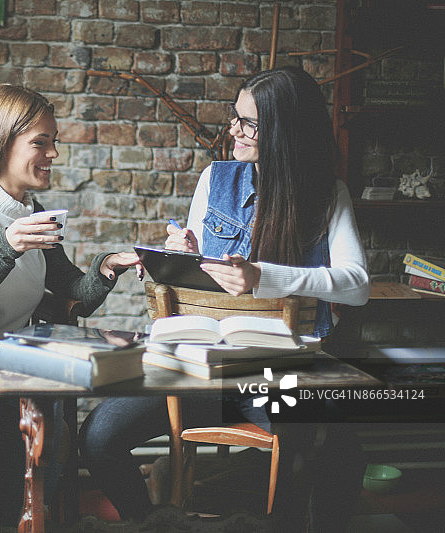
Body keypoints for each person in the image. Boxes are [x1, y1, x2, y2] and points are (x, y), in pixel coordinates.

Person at [79, 67, 370, 531]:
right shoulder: (215, 179)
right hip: (201, 373)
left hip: (277, 380)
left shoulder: (329, 195)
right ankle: (156, 523)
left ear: (286, 130)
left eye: (249, 122)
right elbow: (196, 272)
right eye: (235, 117)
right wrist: (182, 254)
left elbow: (357, 285)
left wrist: (262, 277)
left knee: (339, 450)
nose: (234, 130)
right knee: (98, 436)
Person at [0, 84, 142, 524]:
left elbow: (73, 293)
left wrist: (106, 267)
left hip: (17, 372)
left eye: (54, 141)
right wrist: (6, 246)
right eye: (41, 142)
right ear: (1, 142)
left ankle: (34, 517)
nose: (53, 153)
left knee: (52, 441)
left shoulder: (31, 209)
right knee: (40, 450)